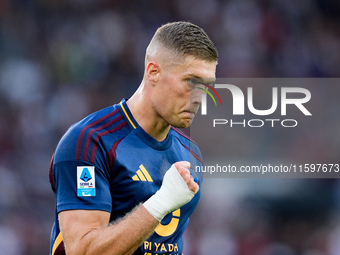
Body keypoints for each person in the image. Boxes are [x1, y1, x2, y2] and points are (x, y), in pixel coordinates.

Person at [49, 21, 218, 255]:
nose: (201, 97)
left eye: (207, 86)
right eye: (191, 82)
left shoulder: (190, 153)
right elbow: (82, 250)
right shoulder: (90, 142)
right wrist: (162, 202)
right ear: (153, 72)